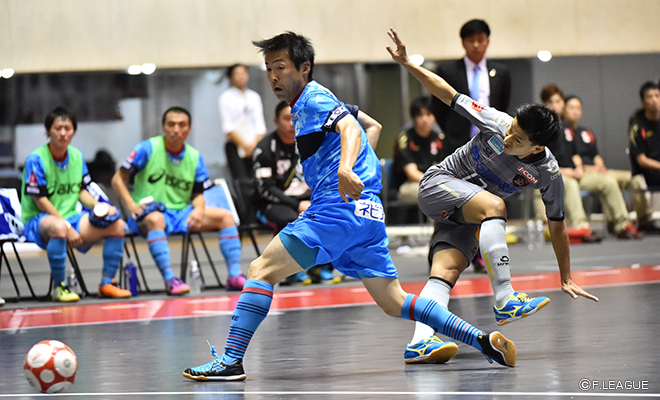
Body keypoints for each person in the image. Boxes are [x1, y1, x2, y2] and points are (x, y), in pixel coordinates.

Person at [183, 31, 517, 382]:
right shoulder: (314, 100)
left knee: (260, 270)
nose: (273, 76)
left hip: (336, 210)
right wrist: (358, 163)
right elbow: (371, 125)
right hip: (367, 214)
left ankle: (231, 361)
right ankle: (482, 341)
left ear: (304, 67)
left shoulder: (312, 98)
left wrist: (345, 169)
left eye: (280, 67)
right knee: (394, 301)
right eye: (268, 69)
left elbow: (351, 130)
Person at [385, 29, 598, 364]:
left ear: (537, 148)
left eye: (518, 139)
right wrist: (408, 63)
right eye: (511, 128)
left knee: (446, 272)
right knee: (496, 204)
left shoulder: (549, 172)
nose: (509, 136)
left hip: (466, 214)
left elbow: (557, 224)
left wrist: (566, 277)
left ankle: (420, 342)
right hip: (438, 185)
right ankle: (505, 298)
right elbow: (447, 93)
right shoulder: (496, 121)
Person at [112, 107, 247, 294]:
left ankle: (234, 276)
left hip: (182, 213)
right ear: (163, 127)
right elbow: (117, 179)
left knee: (226, 217)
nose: (176, 130)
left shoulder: (194, 157)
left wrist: (198, 209)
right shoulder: (147, 148)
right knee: (155, 219)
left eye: (182, 125)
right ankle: (170, 280)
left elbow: (198, 193)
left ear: (189, 129)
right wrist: (132, 206)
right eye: (171, 124)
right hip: (149, 215)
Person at [21, 107, 132, 302]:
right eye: (58, 128)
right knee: (58, 227)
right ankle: (59, 287)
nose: (63, 133)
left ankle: (107, 283)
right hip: (40, 221)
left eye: (68, 128)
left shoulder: (77, 156)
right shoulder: (36, 159)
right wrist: (65, 226)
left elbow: (81, 191)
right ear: (48, 131)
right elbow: (40, 200)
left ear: (73, 131)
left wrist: (99, 207)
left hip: (72, 218)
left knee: (117, 225)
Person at [252, 101, 333, 285]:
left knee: (330, 211)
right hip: (272, 203)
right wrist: (297, 205)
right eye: (286, 119)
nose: (291, 123)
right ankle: (290, 270)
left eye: (295, 118)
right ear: (276, 121)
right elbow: (265, 188)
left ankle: (321, 266)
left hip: (306, 198)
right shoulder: (265, 149)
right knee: (290, 218)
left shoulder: (307, 143)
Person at [564, 95, 644, 239]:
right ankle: (621, 223)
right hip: (582, 174)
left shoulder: (586, 132)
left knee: (634, 178)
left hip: (597, 171)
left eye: (578, 108)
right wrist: (591, 169)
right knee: (608, 182)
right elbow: (572, 161)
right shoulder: (563, 132)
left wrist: (599, 165)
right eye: (571, 108)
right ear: (564, 109)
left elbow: (596, 155)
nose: (575, 111)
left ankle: (641, 219)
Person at [431, 19, 511, 156]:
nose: (476, 45)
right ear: (463, 43)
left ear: (487, 42)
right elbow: (439, 108)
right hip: (456, 142)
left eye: (480, 40)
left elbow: (502, 106)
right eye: (471, 40)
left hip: (492, 143)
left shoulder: (501, 72)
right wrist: (453, 131)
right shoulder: (447, 71)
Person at [534, 84, 601, 243]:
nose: (555, 105)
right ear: (544, 104)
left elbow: (575, 154)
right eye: (550, 102)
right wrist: (564, 171)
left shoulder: (567, 127)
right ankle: (581, 227)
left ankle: (621, 225)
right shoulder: (540, 128)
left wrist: (578, 168)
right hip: (551, 173)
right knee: (570, 184)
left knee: (607, 182)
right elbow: (538, 159)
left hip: (572, 172)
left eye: (558, 101)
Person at [219, 64, 268, 180]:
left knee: (258, 176)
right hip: (235, 144)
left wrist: (254, 145)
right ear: (231, 77)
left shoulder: (254, 97)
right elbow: (227, 126)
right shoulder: (225, 98)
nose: (241, 77)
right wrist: (244, 145)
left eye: (244, 73)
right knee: (241, 179)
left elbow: (260, 125)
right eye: (237, 74)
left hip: (255, 143)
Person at [393, 95, 445, 203]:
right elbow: (411, 173)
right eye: (420, 115)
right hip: (409, 183)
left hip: (432, 182)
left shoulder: (438, 138)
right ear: (414, 117)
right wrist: (434, 183)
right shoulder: (405, 138)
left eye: (428, 114)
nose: (425, 119)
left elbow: (443, 166)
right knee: (434, 193)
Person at [629, 81, 660, 227]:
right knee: (636, 181)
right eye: (650, 97)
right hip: (647, 174)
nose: (654, 100)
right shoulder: (637, 127)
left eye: (657, 96)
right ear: (643, 102)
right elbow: (642, 160)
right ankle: (644, 221)